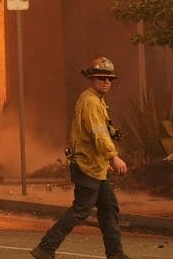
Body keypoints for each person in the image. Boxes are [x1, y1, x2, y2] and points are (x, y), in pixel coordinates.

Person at [30, 56, 130, 259]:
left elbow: (102, 129)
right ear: (92, 79)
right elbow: (98, 133)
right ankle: (45, 248)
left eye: (109, 79)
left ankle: (116, 254)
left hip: (96, 167)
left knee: (109, 209)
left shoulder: (96, 101)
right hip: (88, 166)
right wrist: (114, 157)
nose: (106, 82)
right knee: (81, 210)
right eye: (102, 78)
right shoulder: (91, 102)